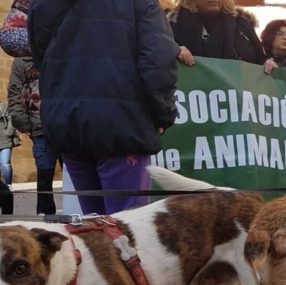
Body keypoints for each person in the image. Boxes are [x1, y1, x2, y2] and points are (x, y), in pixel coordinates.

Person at [28, 0, 180, 215]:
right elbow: (158, 60)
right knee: (128, 230)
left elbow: (40, 56)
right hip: (122, 122)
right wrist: (162, 114)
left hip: (69, 121)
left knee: (93, 231)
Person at [7, 57, 60, 215]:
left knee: (46, 177)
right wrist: (26, 125)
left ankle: (46, 219)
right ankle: (47, 220)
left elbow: (14, 94)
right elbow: (15, 95)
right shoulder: (23, 61)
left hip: (53, 127)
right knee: (47, 178)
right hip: (47, 127)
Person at [169, 0, 266, 66]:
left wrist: (268, 63)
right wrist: (174, 50)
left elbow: (261, 59)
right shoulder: (173, 25)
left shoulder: (243, 25)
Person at [0, 104, 18, 188]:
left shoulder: (3, 106)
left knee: (5, 163)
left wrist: (8, 132)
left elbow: (11, 119)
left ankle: (9, 185)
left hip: (5, 140)